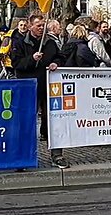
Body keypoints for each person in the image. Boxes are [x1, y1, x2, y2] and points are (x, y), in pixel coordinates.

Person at [10, 14, 68, 168]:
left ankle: (57, 155)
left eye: (43, 25)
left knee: (53, 122)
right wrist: (31, 59)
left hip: (49, 88)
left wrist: (56, 62)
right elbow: (17, 64)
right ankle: (23, 156)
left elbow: (61, 56)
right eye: (38, 25)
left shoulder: (50, 42)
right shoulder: (20, 42)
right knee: (27, 122)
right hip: (29, 88)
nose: (41, 28)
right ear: (30, 26)